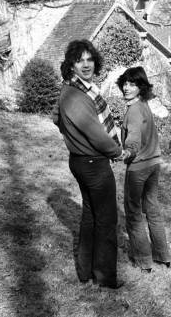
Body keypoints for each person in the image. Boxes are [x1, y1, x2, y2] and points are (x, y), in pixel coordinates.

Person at [53, 39, 129, 289]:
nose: (86, 64)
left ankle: (85, 271)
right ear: (71, 65)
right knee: (106, 220)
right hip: (93, 164)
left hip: (81, 161)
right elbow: (97, 135)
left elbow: (55, 117)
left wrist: (71, 132)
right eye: (79, 60)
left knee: (90, 216)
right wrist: (117, 152)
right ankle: (105, 277)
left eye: (89, 59)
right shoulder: (77, 96)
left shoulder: (74, 89)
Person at [116, 66, 170, 273]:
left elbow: (133, 141)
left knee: (134, 214)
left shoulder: (134, 111)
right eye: (126, 84)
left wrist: (123, 153)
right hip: (154, 164)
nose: (127, 88)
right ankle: (163, 255)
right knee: (152, 209)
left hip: (138, 168)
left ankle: (143, 260)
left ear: (141, 87)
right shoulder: (144, 104)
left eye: (133, 84)